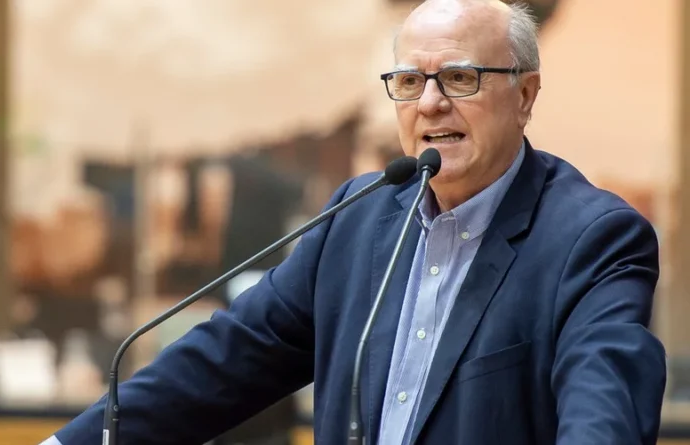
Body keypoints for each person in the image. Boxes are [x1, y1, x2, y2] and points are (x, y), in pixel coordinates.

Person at [41, 0, 666, 444]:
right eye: (409, 81)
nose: (429, 103)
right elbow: (225, 361)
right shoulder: (359, 217)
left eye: (459, 78)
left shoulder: (592, 239)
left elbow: (603, 411)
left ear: (525, 95)